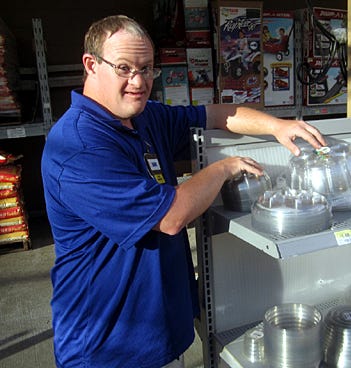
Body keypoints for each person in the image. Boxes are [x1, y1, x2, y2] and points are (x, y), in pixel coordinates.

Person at [41, 15, 325, 368]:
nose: (138, 81)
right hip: (106, 347)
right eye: (125, 68)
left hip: (158, 337)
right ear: (91, 65)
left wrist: (277, 127)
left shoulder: (145, 117)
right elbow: (171, 217)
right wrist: (223, 168)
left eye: (147, 69)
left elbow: (217, 115)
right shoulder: (78, 146)